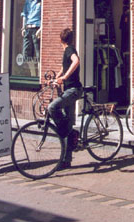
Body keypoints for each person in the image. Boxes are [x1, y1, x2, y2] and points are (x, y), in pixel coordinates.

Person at [48, 28, 82, 169]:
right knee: (68, 124)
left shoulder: (69, 50)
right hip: (70, 90)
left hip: (73, 90)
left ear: (60, 39)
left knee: (52, 107)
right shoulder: (68, 50)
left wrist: (65, 77)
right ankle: (66, 161)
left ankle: (69, 131)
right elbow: (65, 66)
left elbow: (76, 61)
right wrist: (57, 78)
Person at [21, 0, 42, 74]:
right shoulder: (28, 1)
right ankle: (33, 74)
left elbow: (44, 15)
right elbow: (24, 14)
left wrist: (41, 28)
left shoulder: (42, 1)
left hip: (36, 28)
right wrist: (23, 27)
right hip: (28, 28)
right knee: (27, 54)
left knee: (38, 54)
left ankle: (39, 75)